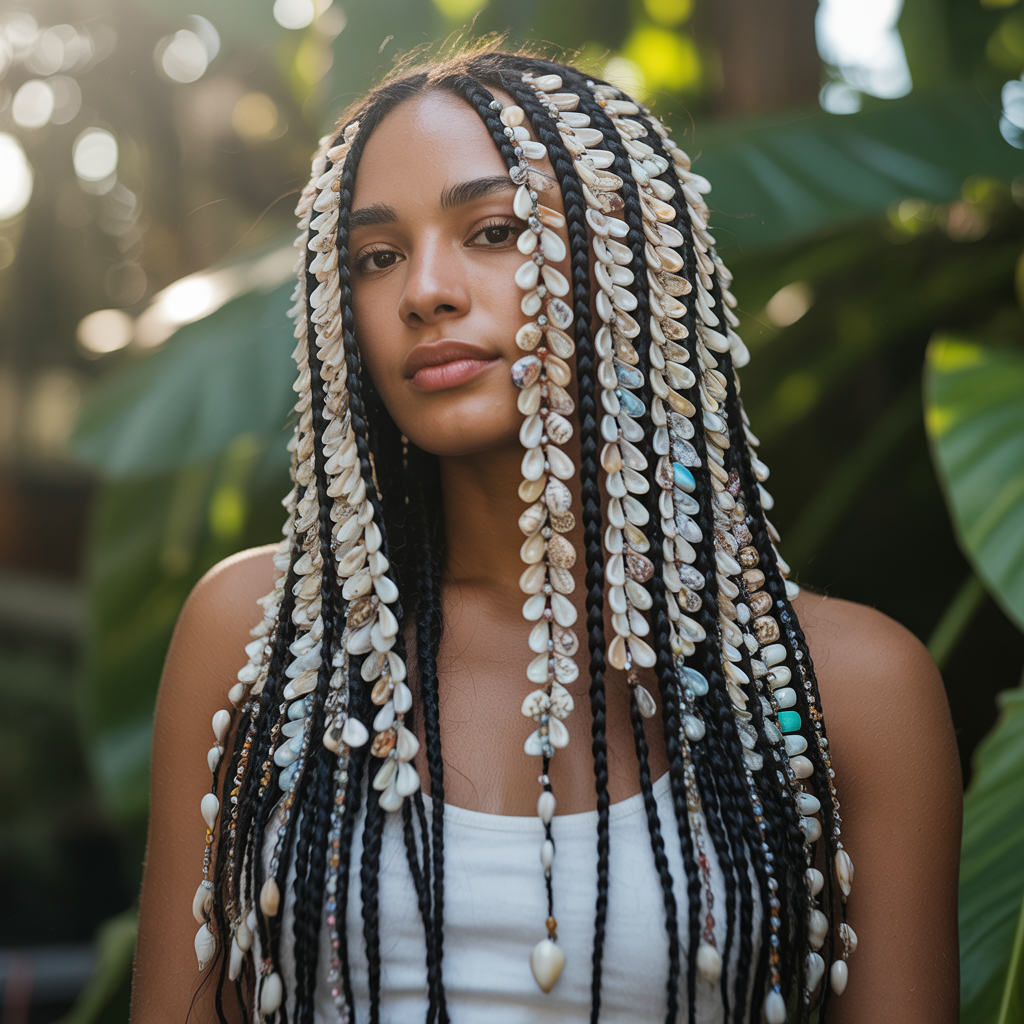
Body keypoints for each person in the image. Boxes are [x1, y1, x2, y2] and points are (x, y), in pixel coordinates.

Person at [130, 49, 962, 1024]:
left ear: (632, 264)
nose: (423, 291)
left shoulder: (852, 689)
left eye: (494, 231)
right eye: (376, 257)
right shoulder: (260, 637)